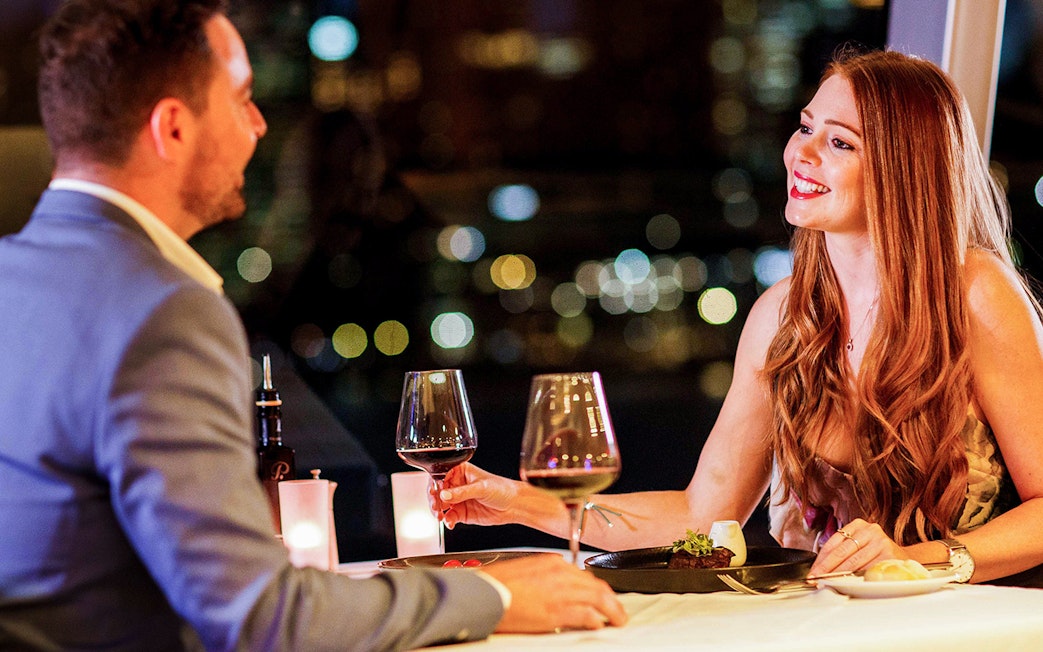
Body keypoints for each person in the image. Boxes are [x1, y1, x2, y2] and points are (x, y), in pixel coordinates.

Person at [0, 1, 625, 650]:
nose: (260, 125)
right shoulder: (162, 310)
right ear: (174, 128)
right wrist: (495, 595)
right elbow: (263, 617)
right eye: (241, 99)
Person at [437, 49, 1043, 587]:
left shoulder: (975, 294)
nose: (800, 153)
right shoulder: (782, 316)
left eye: (840, 142)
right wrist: (519, 502)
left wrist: (929, 558)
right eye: (806, 126)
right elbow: (703, 515)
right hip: (818, 629)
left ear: (902, 169)